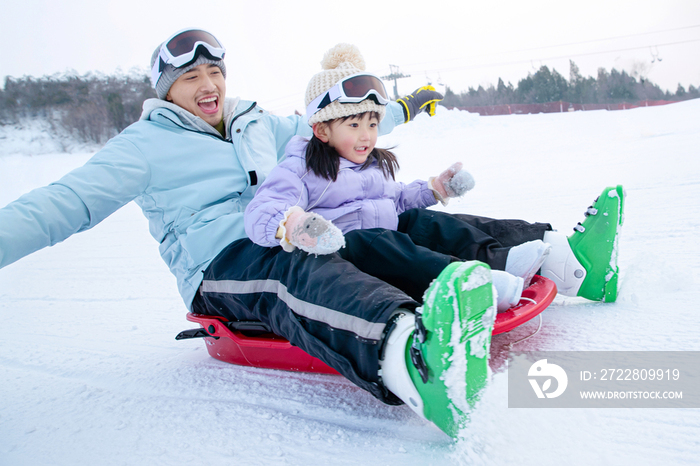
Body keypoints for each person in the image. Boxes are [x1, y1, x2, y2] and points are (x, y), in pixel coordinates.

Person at [0, 29, 624, 438]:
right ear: (167, 90)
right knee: (289, 271)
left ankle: (558, 257)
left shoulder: (251, 120)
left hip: (302, 226)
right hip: (223, 261)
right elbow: (64, 204)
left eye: (214, 71)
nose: (209, 85)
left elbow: (327, 121)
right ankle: (412, 354)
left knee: (392, 217)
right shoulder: (143, 146)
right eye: (192, 79)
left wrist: (403, 108)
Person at [244, 43, 531, 312]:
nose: (366, 134)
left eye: (372, 123)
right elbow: (261, 211)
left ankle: (503, 259)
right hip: (345, 266)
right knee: (377, 243)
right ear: (321, 130)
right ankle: (469, 286)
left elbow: (396, 200)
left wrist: (435, 188)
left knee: (421, 223)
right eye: (354, 124)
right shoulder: (301, 167)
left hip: (386, 253)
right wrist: (294, 225)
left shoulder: (371, 164)